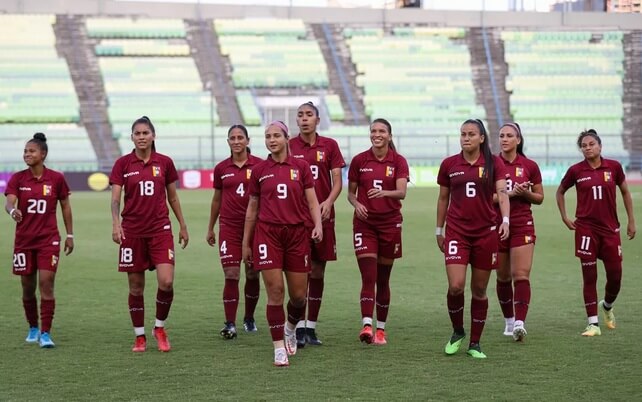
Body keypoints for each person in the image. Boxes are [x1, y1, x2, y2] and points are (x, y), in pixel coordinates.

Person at [242, 120, 322, 367]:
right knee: (275, 292)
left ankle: (290, 327)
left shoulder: (301, 167)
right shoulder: (259, 170)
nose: (272, 139)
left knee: (299, 297)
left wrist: (317, 224)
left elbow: (312, 200)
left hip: (297, 235)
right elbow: (252, 208)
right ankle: (278, 346)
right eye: (268, 136)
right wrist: (246, 243)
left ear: (287, 138)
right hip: (268, 235)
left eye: (276, 135)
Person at [110, 116, 189, 353]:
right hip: (132, 231)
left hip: (160, 230)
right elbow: (115, 199)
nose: (141, 137)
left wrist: (182, 225)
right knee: (136, 288)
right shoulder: (123, 164)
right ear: (132, 137)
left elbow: (172, 196)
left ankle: (159, 327)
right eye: (137, 133)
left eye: (145, 133)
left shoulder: (164, 162)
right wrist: (116, 224)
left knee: (166, 282)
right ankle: (140, 337)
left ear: (153, 135)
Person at [436, 119, 509, 359]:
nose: (465, 138)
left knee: (479, 290)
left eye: (471, 134)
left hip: (485, 233)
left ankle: (475, 343)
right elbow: (443, 198)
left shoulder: (494, 163)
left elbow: (501, 192)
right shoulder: (449, 164)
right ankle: (458, 332)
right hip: (457, 231)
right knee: (456, 286)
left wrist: (505, 220)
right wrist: (440, 229)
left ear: (481, 138)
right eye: (462, 134)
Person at [556, 129, 635, 337]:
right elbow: (560, 191)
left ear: (600, 146)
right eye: (584, 145)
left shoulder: (614, 167)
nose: (588, 148)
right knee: (589, 276)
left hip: (610, 230)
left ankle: (607, 306)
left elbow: (625, 191)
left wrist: (631, 221)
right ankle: (593, 323)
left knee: (615, 276)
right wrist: (565, 217)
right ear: (581, 149)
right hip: (585, 230)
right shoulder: (576, 171)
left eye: (591, 144)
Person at [4, 132, 74, 348]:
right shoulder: (18, 178)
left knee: (46, 283)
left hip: (48, 240)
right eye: (25, 151)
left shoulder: (56, 178)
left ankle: (45, 333)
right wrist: (12, 211)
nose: (27, 154)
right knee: (27, 287)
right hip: (24, 241)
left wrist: (70, 234)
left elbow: (65, 206)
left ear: (43, 154)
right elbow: (9, 202)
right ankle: (33, 326)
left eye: (31, 151)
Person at [347, 118, 409, 346]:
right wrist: (357, 204)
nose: (377, 134)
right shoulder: (359, 160)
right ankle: (366, 325)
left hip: (390, 225)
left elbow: (402, 192)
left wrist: (383, 193)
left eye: (382, 131)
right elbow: (351, 193)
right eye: (373, 130)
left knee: (383, 280)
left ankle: (381, 330)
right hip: (365, 226)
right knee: (368, 277)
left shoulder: (399, 161)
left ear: (389, 136)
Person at [289, 101, 345, 347]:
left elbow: (337, 181)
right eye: (300, 115)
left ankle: (310, 328)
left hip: (323, 217)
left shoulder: (329, 146)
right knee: (301, 271)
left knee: (319, 270)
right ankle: (297, 326)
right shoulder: (289, 145)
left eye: (309, 115)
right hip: (297, 218)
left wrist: (329, 202)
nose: (304, 119)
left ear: (317, 120)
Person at [206, 124, 263, 339]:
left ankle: (249, 317)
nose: (237, 141)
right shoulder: (221, 168)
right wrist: (211, 227)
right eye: (232, 138)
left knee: (252, 273)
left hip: (255, 228)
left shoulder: (260, 165)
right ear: (228, 142)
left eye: (240, 137)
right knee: (231, 274)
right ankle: (229, 323)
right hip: (229, 228)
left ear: (248, 141)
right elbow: (217, 199)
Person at [493, 123, 544, 341]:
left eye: (509, 136)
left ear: (518, 140)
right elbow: (486, 198)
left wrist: (526, 194)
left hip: (523, 223)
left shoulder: (530, 165)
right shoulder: (491, 164)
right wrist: (511, 193)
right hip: (497, 225)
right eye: (501, 136)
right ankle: (509, 321)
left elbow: (540, 197)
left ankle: (520, 323)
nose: (504, 139)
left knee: (521, 275)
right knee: (502, 277)